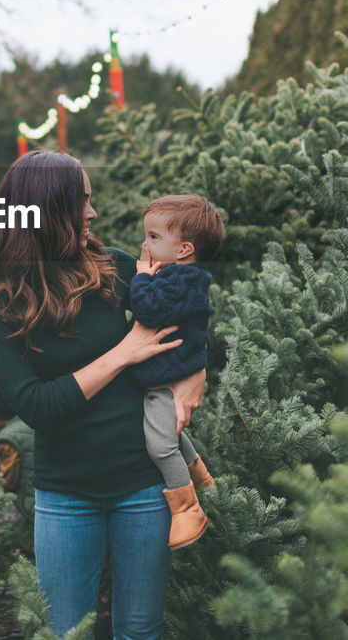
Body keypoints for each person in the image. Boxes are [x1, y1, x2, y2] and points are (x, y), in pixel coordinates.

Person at [0, 150, 205, 640]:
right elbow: (35, 405)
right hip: (64, 493)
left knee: (140, 629)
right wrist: (122, 353)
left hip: (142, 481)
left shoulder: (115, 268)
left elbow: (189, 311)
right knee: (66, 631)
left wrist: (192, 377)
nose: (93, 214)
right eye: (82, 202)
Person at [127, 194, 224, 549]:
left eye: (153, 237)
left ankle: (187, 510)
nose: (144, 244)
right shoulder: (180, 275)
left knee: (160, 445)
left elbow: (149, 310)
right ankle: (199, 474)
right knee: (166, 430)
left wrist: (140, 278)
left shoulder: (180, 280)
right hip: (169, 372)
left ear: (183, 249)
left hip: (168, 378)